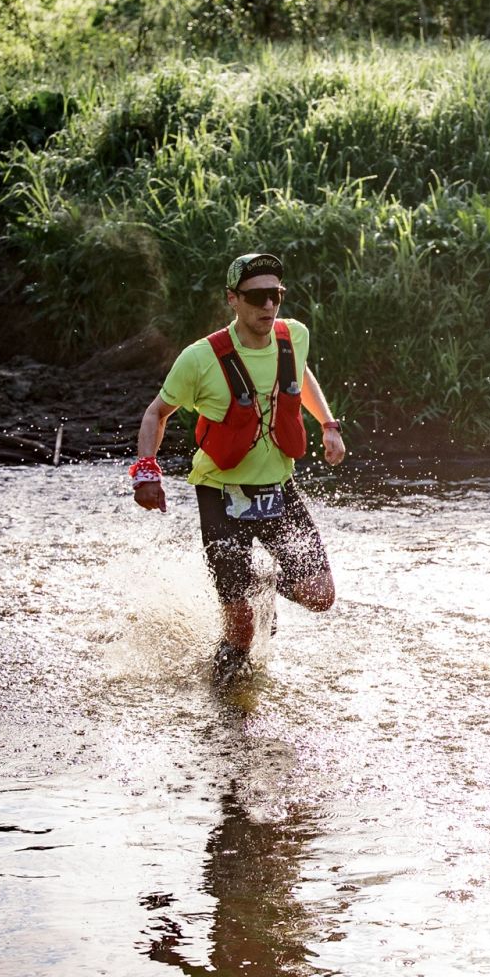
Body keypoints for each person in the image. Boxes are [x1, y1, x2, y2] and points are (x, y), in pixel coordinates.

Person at [131, 253, 347, 684]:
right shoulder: (200, 359)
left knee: (320, 595)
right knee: (242, 629)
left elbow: (297, 375)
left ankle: (264, 584)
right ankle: (224, 711)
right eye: (256, 297)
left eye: (276, 296)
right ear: (233, 299)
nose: (268, 306)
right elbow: (157, 413)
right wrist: (146, 472)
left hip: (277, 490)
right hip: (220, 496)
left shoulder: (294, 336)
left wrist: (328, 424)